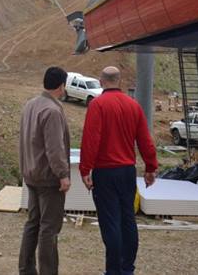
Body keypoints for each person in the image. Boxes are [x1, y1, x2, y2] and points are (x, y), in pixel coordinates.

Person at [80, 66, 158, 275]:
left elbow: (91, 140)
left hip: (105, 172)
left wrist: (85, 169)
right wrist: (151, 168)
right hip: (127, 171)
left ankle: (113, 270)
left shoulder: (97, 105)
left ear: (101, 81)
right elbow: (145, 140)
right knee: (128, 219)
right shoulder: (134, 106)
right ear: (119, 81)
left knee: (110, 222)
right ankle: (127, 268)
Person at [18, 66, 71, 275]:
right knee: (49, 229)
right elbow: (54, 148)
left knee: (33, 223)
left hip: (31, 174)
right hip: (48, 179)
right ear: (62, 86)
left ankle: (26, 269)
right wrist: (63, 175)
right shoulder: (52, 110)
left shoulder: (30, 104)